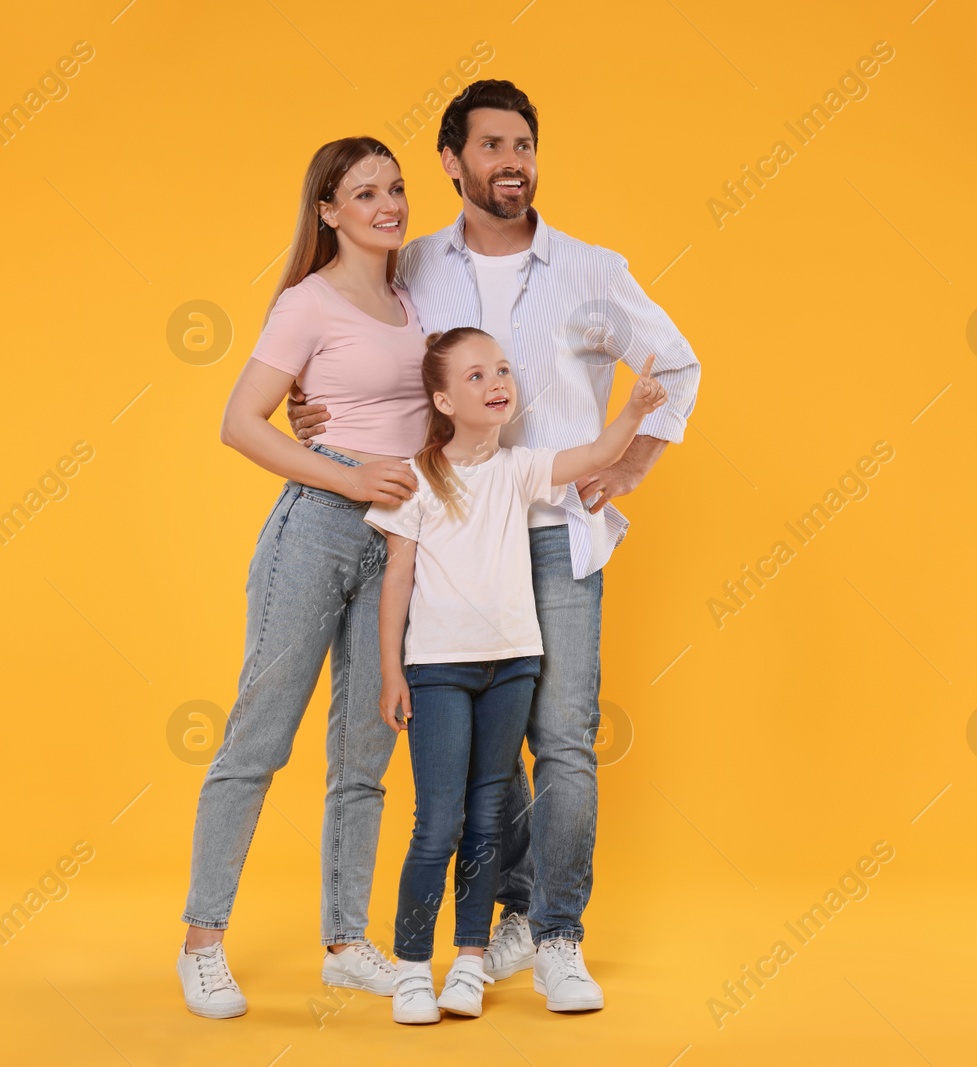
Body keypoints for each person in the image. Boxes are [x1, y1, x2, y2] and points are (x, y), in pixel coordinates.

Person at [288, 79, 702, 1011]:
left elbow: (677, 363)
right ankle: (502, 915)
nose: (512, 161)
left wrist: (631, 462)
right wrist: (311, 409)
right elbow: (371, 358)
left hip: (553, 533)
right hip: (453, 535)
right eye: (491, 145)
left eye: (524, 144)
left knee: (561, 737)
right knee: (488, 747)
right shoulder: (414, 264)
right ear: (452, 161)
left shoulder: (593, 268)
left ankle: (555, 931)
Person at [178, 137, 424, 1018]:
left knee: (367, 750)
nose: (388, 204)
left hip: (400, 544)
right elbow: (241, 422)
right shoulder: (308, 302)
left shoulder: (412, 298)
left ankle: (348, 942)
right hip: (318, 528)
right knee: (260, 735)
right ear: (328, 210)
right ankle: (203, 941)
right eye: (366, 192)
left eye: (396, 187)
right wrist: (350, 473)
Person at [368, 329, 666, 1024]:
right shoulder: (415, 476)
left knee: (488, 818)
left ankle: (469, 960)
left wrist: (633, 409)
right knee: (437, 822)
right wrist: (392, 673)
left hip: (513, 668)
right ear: (443, 399)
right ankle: (414, 962)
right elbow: (398, 576)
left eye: (502, 369)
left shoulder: (519, 466)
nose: (497, 381)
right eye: (476, 376)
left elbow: (593, 454)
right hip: (438, 672)